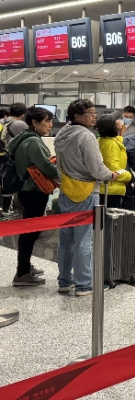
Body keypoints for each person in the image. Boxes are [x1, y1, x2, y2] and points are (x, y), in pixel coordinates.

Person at [55, 99, 118, 296]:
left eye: (94, 112)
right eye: (90, 113)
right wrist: (111, 175)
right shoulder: (87, 136)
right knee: (84, 239)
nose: (94, 116)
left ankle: (65, 280)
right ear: (77, 116)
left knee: (66, 239)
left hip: (66, 190)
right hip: (86, 192)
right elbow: (97, 169)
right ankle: (84, 284)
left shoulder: (62, 134)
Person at [9, 106, 58, 286]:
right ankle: (22, 273)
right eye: (47, 121)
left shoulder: (23, 138)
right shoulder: (33, 142)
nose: (50, 125)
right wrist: (62, 170)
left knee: (29, 232)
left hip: (26, 190)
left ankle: (25, 266)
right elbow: (46, 168)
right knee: (30, 233)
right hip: (34, 191)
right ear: (34, 123)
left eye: (51, 121)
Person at [97, 114, 132, 209]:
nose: (120, 122)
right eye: (117, 121)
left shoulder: (104, 140)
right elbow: (113, 170)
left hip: (107, 188)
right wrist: (129, 176)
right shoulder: (111, 145)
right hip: (111, 189)